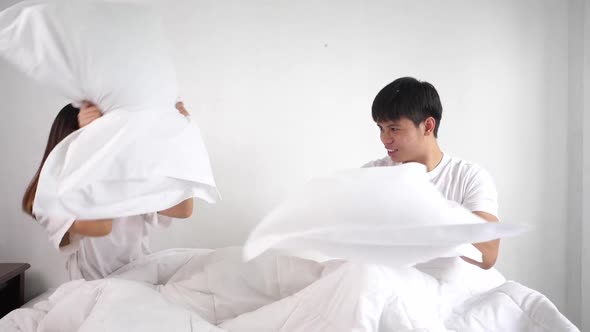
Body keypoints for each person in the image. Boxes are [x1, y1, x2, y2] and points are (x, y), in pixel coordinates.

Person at [22, 101, 194, 280]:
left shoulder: (125, 174)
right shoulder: (53, 196)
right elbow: (100, 226)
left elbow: (183, 209)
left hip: (140, 280)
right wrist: (92, 146)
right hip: (94, 287)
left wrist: (175, 139)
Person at [363, 77, 500, 269]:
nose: (384, 139)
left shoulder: (469, 177)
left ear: (428, 126)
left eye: (394, 129)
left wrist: (424, 217)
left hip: (452, 289)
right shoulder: (373, 175)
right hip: (389, 286)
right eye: (381, 128)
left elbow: (487, 256)